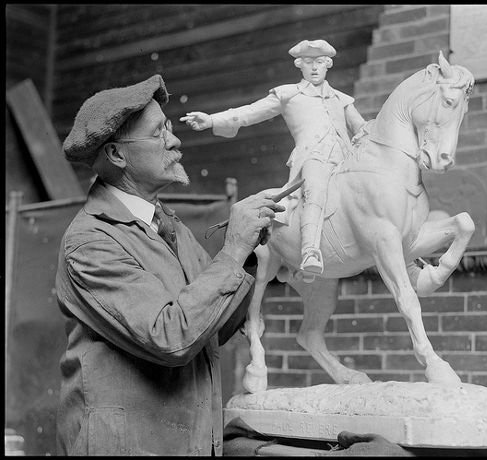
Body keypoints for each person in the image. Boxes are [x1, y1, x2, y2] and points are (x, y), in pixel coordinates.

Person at [55, 74, 285, 456]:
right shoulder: (90, 243)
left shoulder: (167, 226)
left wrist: (245, 257)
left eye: (171, 128)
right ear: (116, 155)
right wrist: (231, 250)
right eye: (159, 132)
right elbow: (171, 337)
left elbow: (210, 328)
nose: (175, 141)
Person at [181, 39, 368, 276]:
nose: (314, 68)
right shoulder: (289, 95)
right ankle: (310, 250)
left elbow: (361, 127)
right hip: (314, 158)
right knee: (316, 190)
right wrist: (212, 120)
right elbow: (250, 112)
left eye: (319, 62)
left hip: (346, 160)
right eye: (308, 62)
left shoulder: (341, 99)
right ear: (299, 65)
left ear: (328, 64)